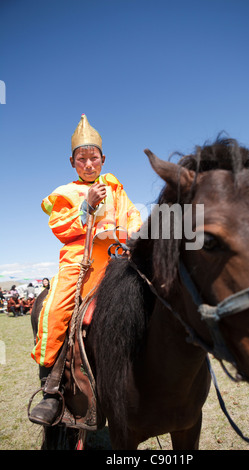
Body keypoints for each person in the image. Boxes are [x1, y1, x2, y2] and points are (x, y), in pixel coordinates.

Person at [29, 114, 142, 426]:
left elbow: (132, 216)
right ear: (72, 162)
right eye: (82, 159)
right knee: (53, 312)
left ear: (103, 159)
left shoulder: (116, 188)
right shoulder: (65, 193)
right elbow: (60, 228)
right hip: (79, 263)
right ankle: (51, 392)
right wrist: (87, 207)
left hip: (117, 261)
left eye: (94, 158)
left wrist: (132, 236)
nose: (89, 164)